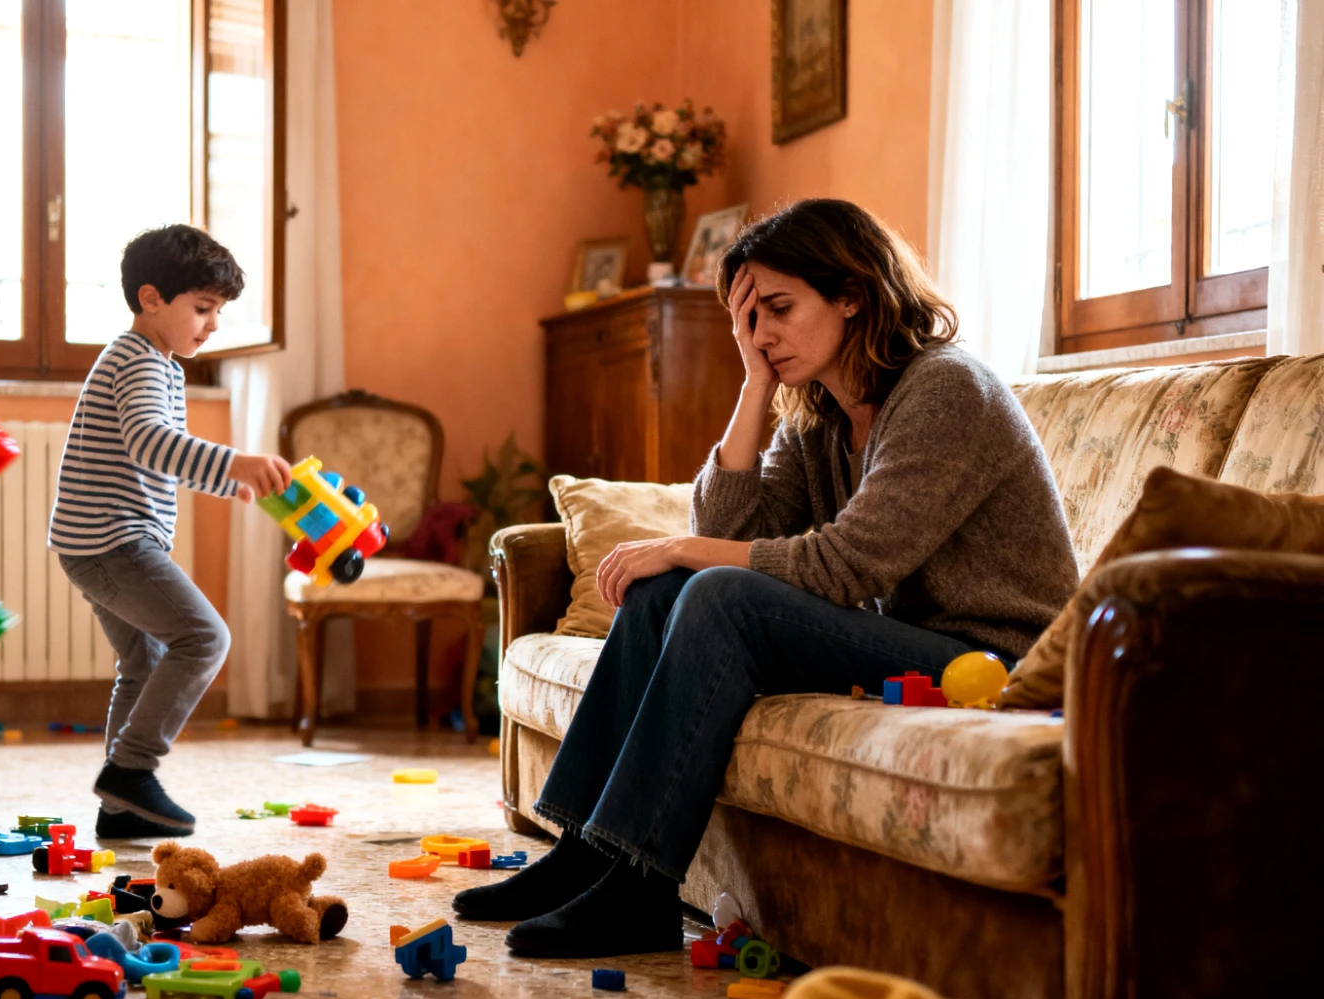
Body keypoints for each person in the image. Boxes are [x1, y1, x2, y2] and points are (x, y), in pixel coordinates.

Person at [453, 198, 1078, 958]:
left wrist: (684, 549)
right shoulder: (817, 408)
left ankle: (642, 883)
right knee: (662, 591)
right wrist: (753, 385)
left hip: (991, 664)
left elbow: (845, 565)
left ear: (853, 293)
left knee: (713, 589)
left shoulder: (945, 390)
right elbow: (728, 528)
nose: (763, 333)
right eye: (748, 319)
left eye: (779, 309)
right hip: (906, 645)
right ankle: (587, 851)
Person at [50, 224, 290, 841]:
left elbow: (155, 455)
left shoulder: (152, 362)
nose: (211, 325)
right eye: (203, 308)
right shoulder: (139, 362)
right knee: (203, 638)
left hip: (97, 543)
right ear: (152, 298)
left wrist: (223, 482)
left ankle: (121, 807)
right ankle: (132, 770)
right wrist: (235, 462)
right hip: (113, 543)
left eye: (218, 311)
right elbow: (153, 444)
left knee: (144, 659)